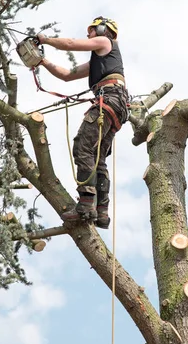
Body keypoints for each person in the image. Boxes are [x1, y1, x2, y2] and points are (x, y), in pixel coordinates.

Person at [37, 16, 128, 229]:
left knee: (83, 147)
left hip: (110, 100)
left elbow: (70, 44)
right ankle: (101, 212)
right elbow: (67, 75)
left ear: (104, 30)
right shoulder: (99, 59)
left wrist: (46, 39)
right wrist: (43, 61)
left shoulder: (106, 43)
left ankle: (86, 206)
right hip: (115, 104)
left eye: (92, 30)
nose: (89, 35)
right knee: (97, 158)